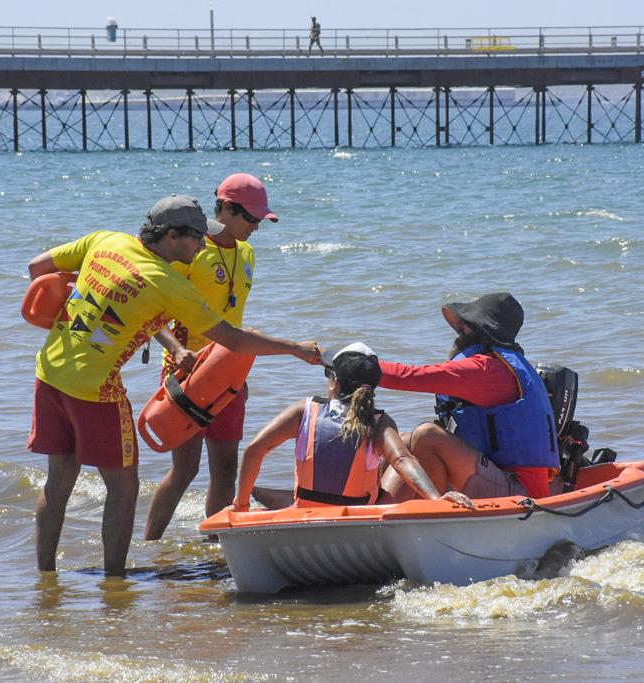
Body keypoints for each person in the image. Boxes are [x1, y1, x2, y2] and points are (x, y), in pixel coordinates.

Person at [26, 195, 320, 576]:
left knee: (58, 479)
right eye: (197, 238)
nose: (201, 246)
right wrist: (295, 349)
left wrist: (87, 295)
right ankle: (116, 582)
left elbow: (37, 268)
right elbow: (234, 340)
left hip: (49, 372)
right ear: (171, 237)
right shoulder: (165, 284)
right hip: (95, 390)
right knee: (124, 487)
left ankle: (45, 577)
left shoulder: (105, 240)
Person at [144, 174, 278, 540]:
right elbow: (150, 312)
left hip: (227, 376)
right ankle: (149, 545)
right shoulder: (190, 249)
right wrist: (176, 349)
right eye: (250, 218)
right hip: (186, 374)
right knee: (184, 471)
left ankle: (214, 548)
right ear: (226, 209)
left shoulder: (247, 253)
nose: (255, 227)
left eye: (259, 221)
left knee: (225, 471)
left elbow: (233, 322)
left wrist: (239, 372)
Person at [233, 343, 474, 511]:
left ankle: (258, 496)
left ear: (334, 382)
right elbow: (402, 460)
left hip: (308, 510)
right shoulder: (379, 421)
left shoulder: (304, 409)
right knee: (404, 448)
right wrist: (436, 497)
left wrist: (240, 505)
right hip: (358, 516)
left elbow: (255, 449)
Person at [376, 292, 561, 502]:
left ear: (481, 330)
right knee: (403, 441)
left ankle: (414, 517)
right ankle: (378, 510)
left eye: (466, 324)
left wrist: (355, 365)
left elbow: (407, 377)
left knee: (427, 436)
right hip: (497, 477)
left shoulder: (487, 369)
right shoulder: (504, 363)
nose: (460, 328)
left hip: (521, 491)